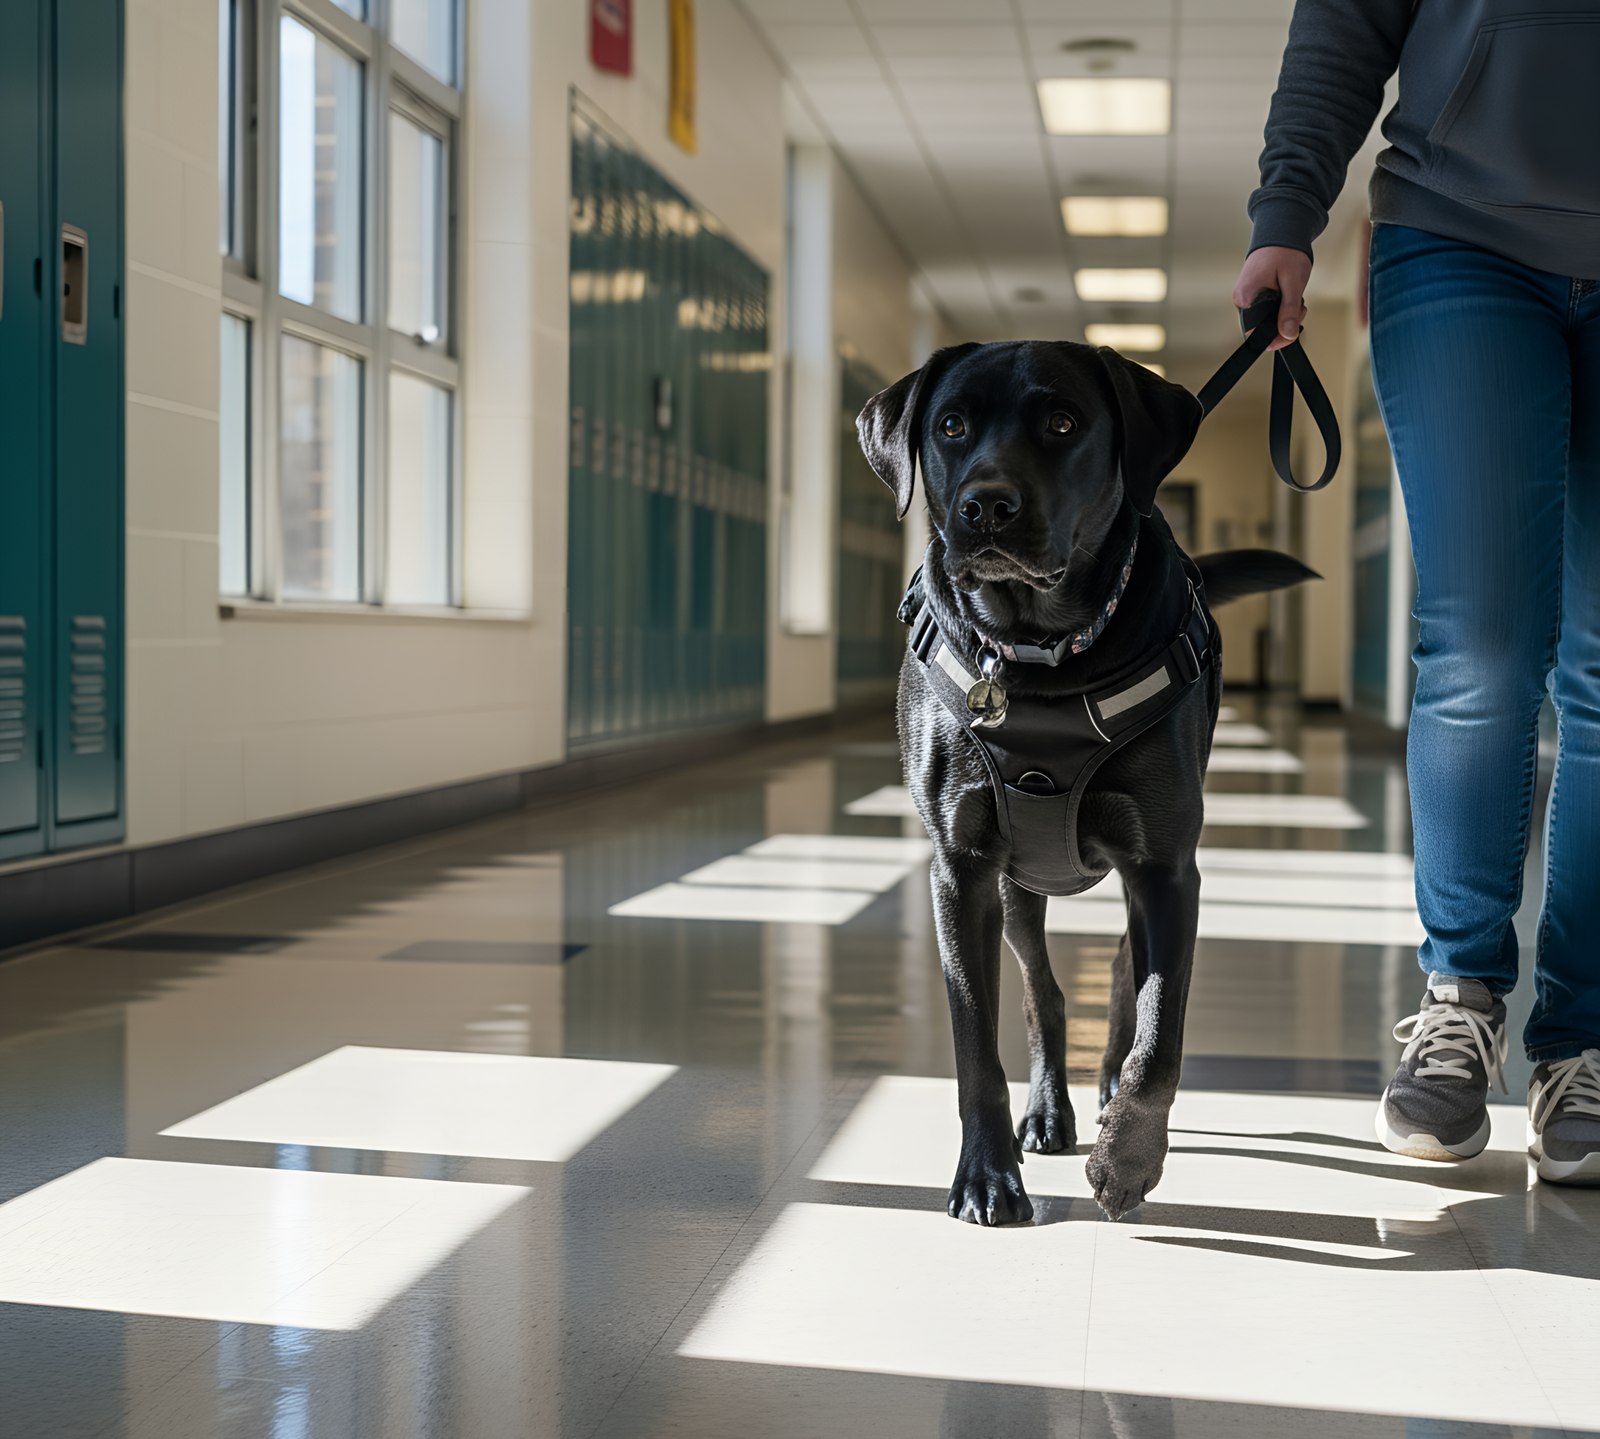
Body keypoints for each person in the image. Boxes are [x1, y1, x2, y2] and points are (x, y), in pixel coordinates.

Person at [1234, 0, 1600, 1182]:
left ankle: (1582, 1037)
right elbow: (1342, 25)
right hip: (1461, 236)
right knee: (1482, 650)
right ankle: (1459, 998)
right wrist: (1287, 212)